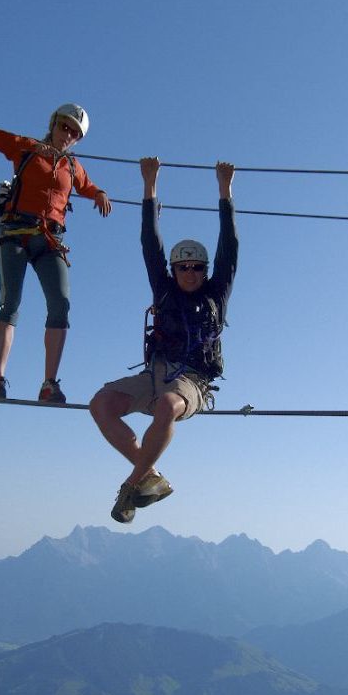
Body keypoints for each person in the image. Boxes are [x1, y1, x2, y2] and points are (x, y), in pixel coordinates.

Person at [90, 156, 237, 523]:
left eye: (197, 266)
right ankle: (150, 477)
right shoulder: (164, 289)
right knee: (101, 403)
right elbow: (149, 243)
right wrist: (149, 185)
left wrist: (225, 190)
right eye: (182, 266)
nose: (190, 272)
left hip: (192, 381)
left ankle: (132, 483)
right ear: (173, 270)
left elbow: (229, 246)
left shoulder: (216, 293)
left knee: (168, 405)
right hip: (154, 374)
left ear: (206, 270)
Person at [0, 103, 112, 403]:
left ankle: (49, 384)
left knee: (60, 305)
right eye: (64, 126)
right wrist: (19, 144)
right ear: (53, 123)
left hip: (50, 238)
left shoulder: (73, 166)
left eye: (74, 133)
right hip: (15, 232)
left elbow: (87, 186)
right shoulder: (27, 150)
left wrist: (100, 193)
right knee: (10, 304)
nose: (67, 135)